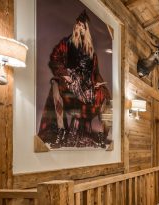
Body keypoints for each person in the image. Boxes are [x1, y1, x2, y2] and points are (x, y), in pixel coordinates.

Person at [38, 10, 111, 149]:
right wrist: (65, 75)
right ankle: (61, 131)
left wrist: (97, 83)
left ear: (86, 29)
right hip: (70, 82)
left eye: (82, 26)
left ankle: (102, 135)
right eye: (77, 25)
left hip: (87, 86)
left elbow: (95, 73)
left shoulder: (91, 52)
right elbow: (55, 59)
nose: (79, 28)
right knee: (55, 84)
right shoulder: (66, 43)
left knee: (105, 96)